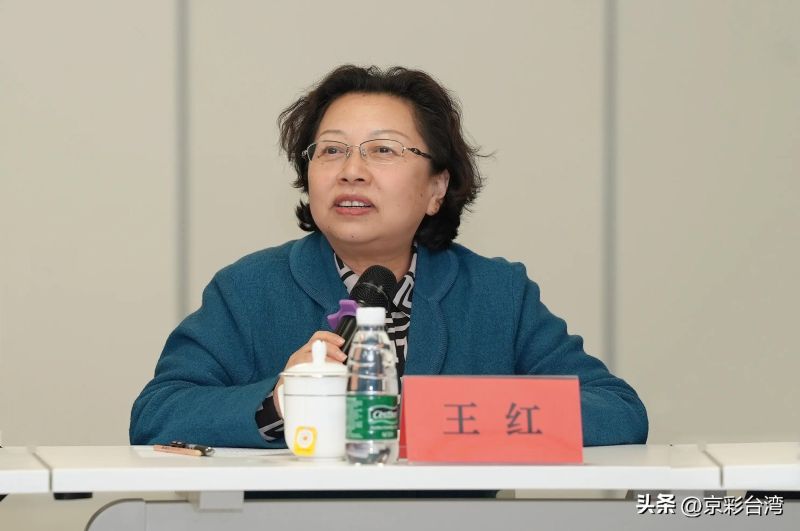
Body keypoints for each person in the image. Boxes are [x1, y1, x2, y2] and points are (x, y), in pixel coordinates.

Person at [130, 65, 648, 449]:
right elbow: (157, 413)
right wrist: (281, 401)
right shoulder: (249, 288)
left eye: (383, 150)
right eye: (331, 150)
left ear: (436, 187)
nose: (351, 171)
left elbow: (618, 411)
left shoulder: (496, 294)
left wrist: (448, 418)